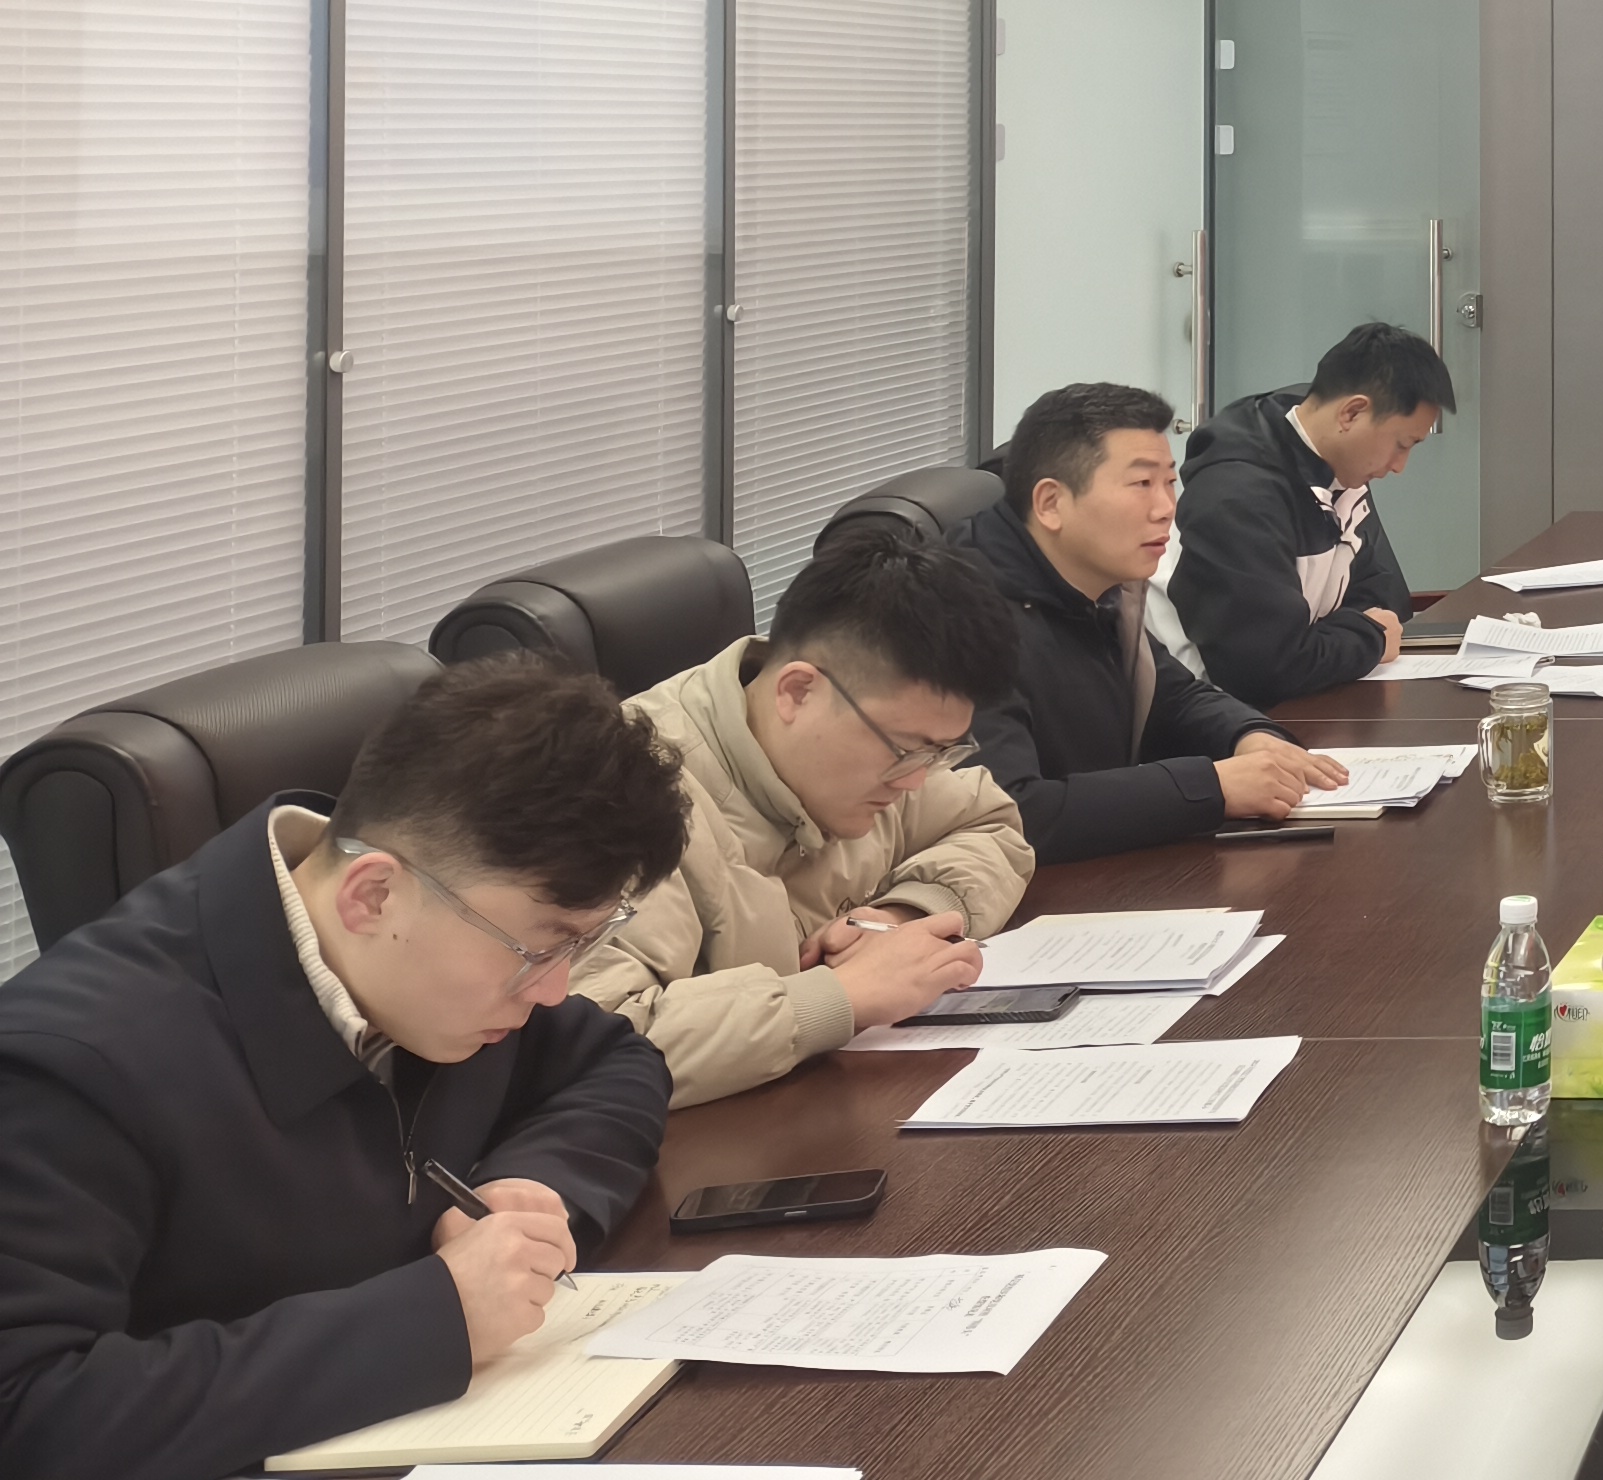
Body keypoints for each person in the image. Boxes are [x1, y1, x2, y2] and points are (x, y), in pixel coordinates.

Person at [0, 655, 691, 1480]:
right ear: (372, 896)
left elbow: (614, 1062)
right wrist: (434, 1320)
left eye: (580, 946)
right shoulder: (69, 1068)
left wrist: (532, 1185)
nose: (552, 990)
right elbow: (29, 1413)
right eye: (538, 949)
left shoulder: (442, 955)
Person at [571, 526, 1035, 1107]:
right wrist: (841, 996)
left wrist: (903, 918)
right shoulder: (624, 794)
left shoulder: (876, 743)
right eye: (907, 752)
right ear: (796, 692)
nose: (916, 781)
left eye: (938, 754)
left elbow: (987, 822)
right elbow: (599, 1043)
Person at [967, 378, 1346, 859]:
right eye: (1142, 484)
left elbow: (1171, 693)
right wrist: (1211, 786)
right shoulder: (963, 620)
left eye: (1170, 482)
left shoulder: (1098, 583)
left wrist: (1249, 736)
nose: (1167, 509)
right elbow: (1013, 812)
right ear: (1051, 504)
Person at [1168, 320, 1457, 707]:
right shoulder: (1237, 496)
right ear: (1351, 413)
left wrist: (1341, 638)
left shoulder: (1336, 458)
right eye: (1401, 444)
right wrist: (1367, 638)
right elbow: (1264, 669)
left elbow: (1384, 598)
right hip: (1223, 718)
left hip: (1305, 702)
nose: (1399, 466)